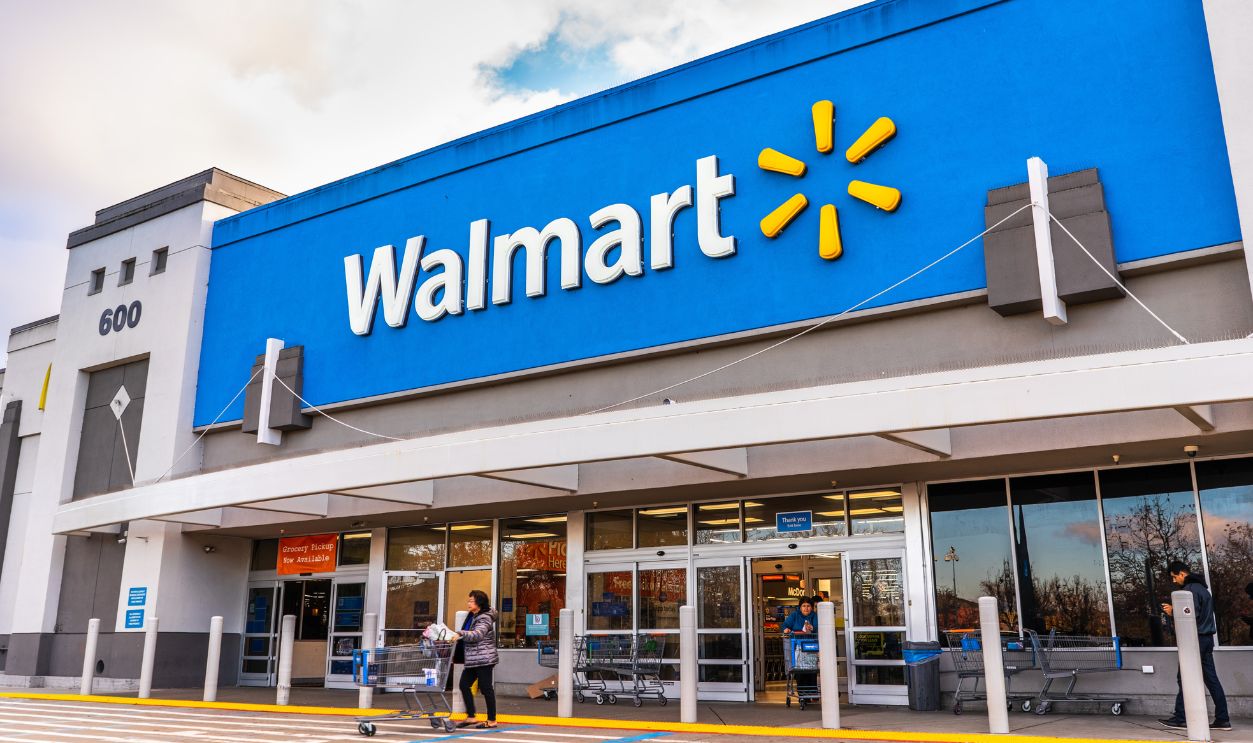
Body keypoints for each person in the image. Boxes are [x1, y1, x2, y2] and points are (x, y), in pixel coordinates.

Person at [1158, 562, 1230, 732]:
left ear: (1182, 573)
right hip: (1206, 640)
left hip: (1195, 640)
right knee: (1212, 680)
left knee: (1184, 677)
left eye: (1174, 577)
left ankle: (1181, 718)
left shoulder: (1189, 590)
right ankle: (1223, 719)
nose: (1175, 581)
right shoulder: (1204, 590)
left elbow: (1189, 616)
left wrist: (1172, 611)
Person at [450, 590, 499, 729]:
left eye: (471, 601)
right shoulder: (473, 616)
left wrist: (460, 633)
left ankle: (492, 720)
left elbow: (478, 634)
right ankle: (471, 717)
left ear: (479, 603)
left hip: (484, 658)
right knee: (464, 684)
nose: (468, 603)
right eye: (468, 600)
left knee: (486, 688)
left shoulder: (485, 618)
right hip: (473, 658)